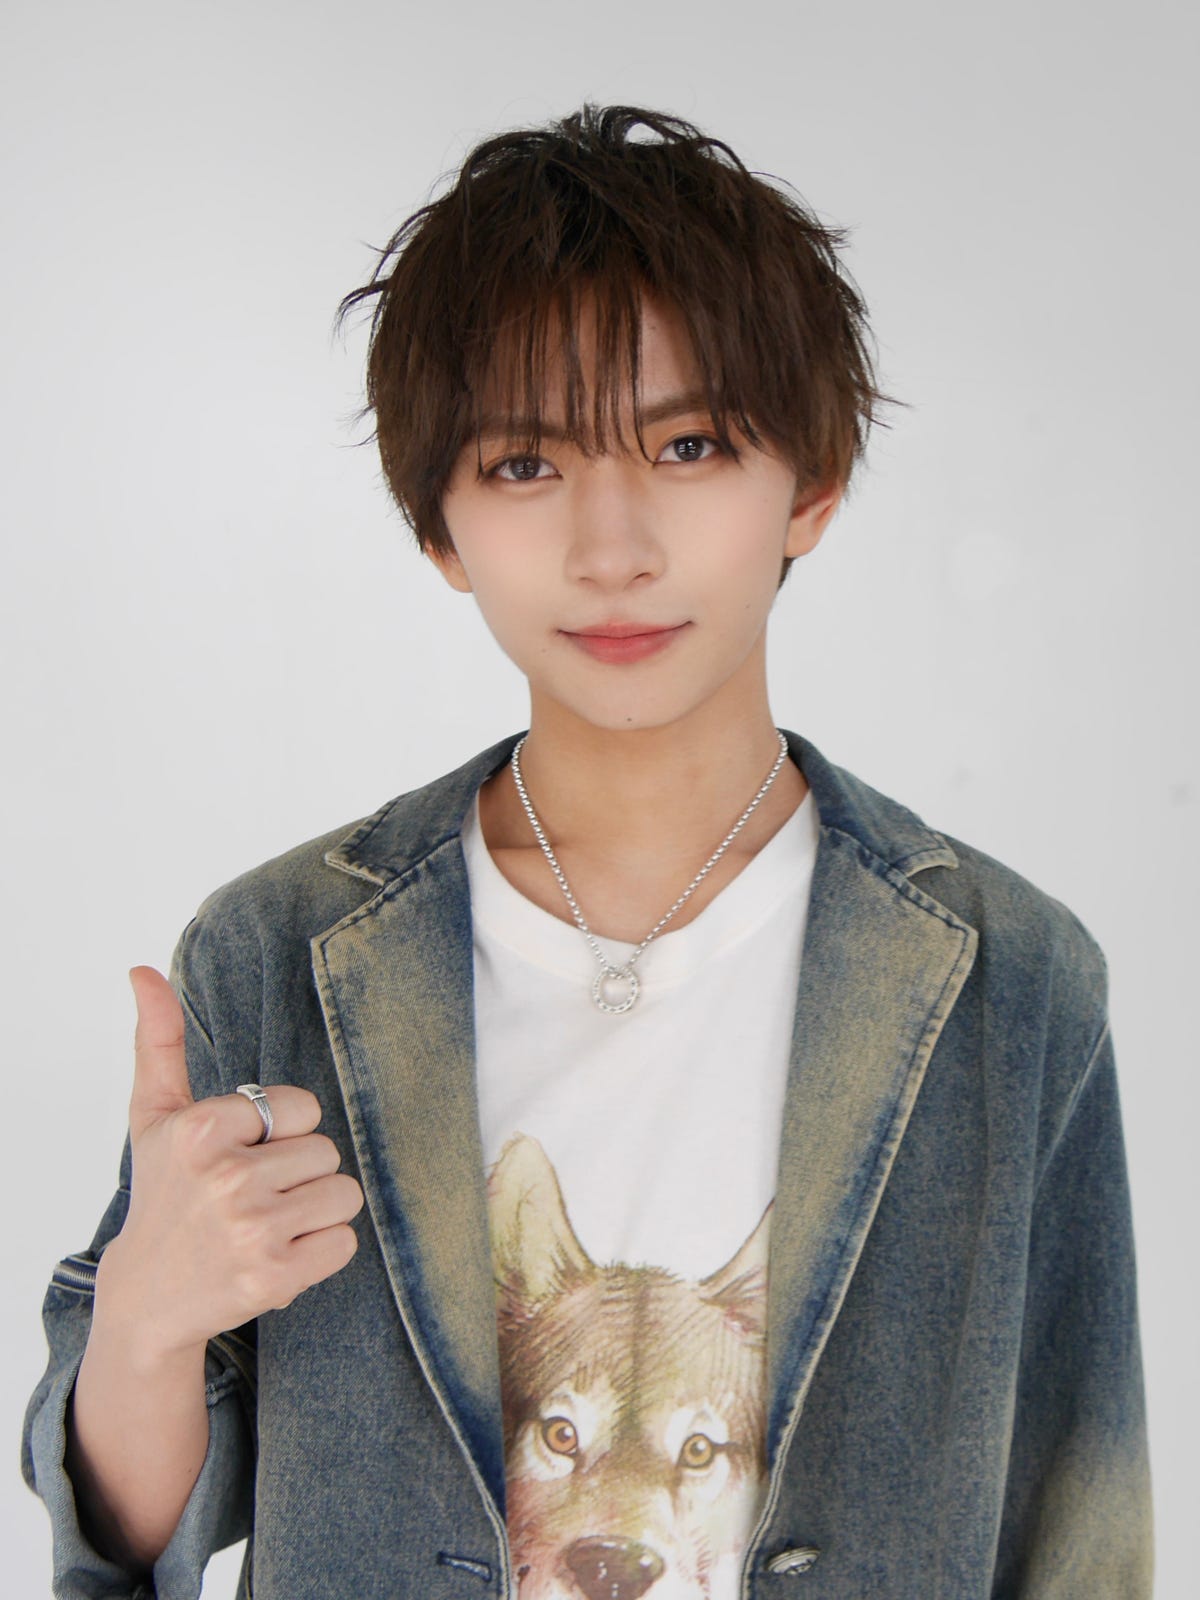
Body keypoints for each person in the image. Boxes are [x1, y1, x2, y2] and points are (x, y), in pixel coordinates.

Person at [22, 102, 1152, 1600]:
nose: (612, 548)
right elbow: (133, 1542)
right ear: (439, 525)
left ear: (813, 484)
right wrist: (145, 1321)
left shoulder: (1011, 981)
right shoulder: (281, 955)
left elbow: (1084, 1532)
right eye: (525, 466)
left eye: (688, 445)